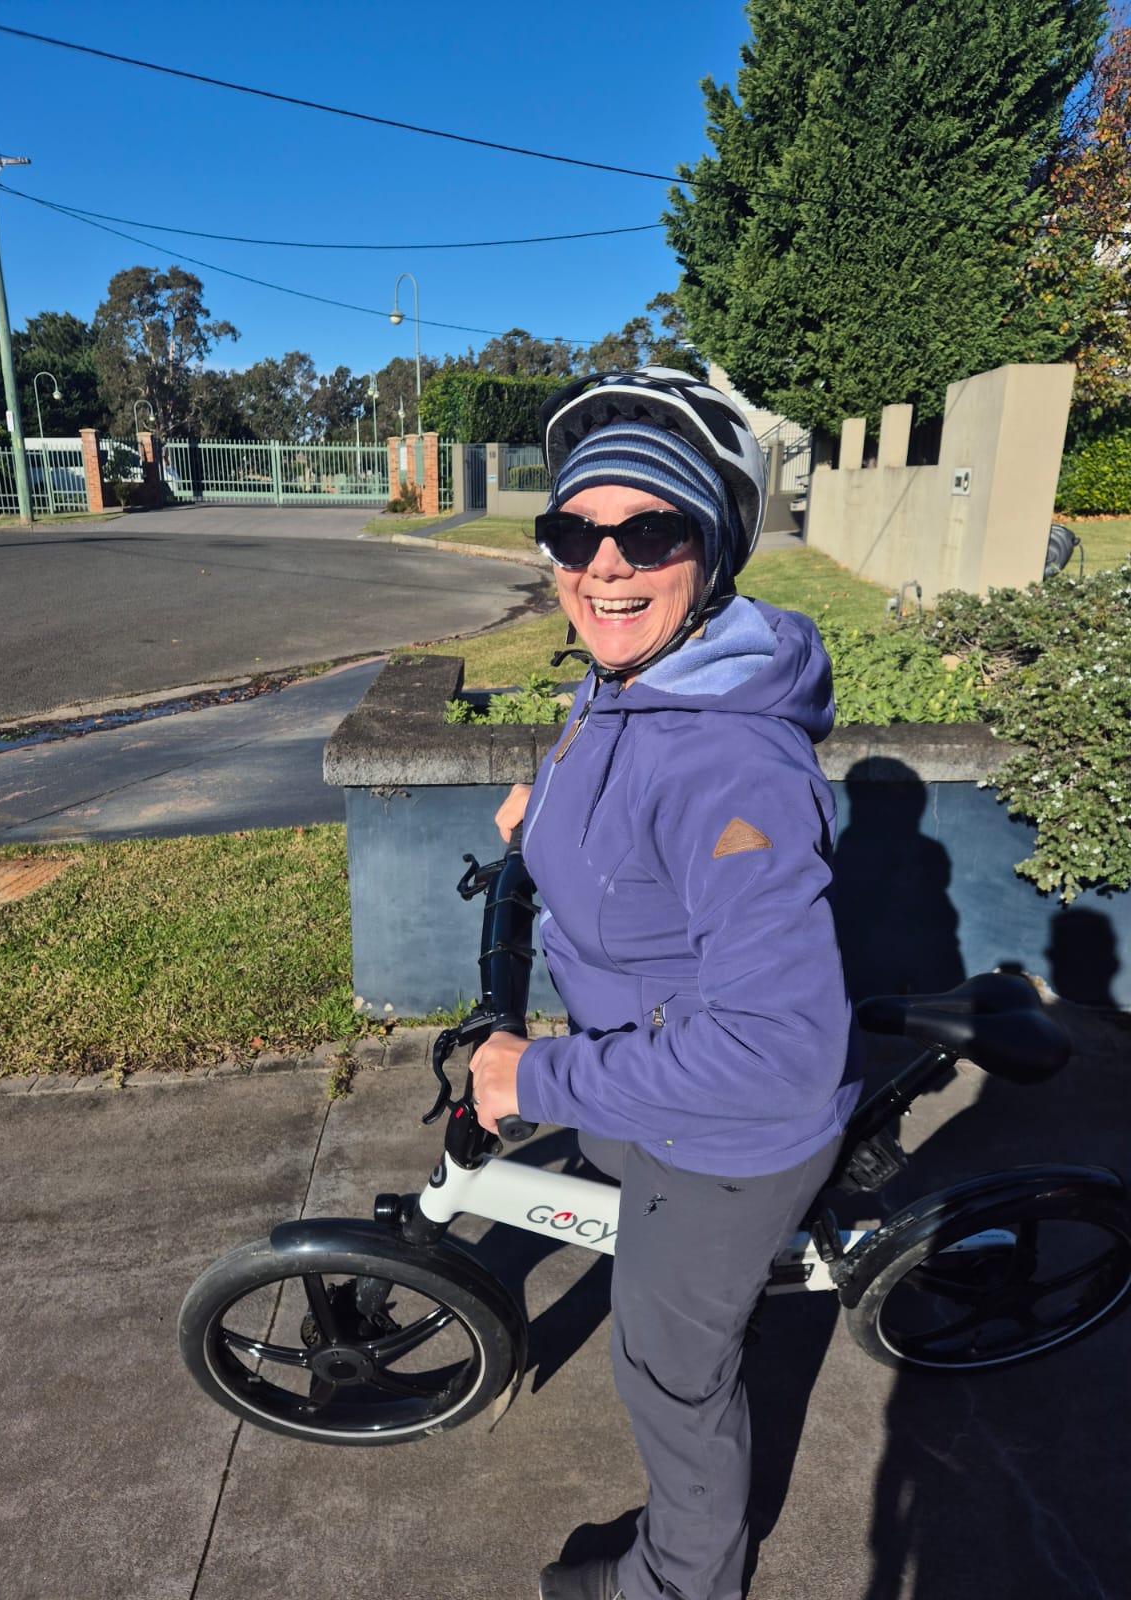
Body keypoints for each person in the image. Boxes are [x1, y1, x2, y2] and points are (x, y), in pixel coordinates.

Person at [470, 368, 863, 1600]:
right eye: (574, 532)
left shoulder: (732, 760)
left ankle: (681, 1584)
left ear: (711, 549)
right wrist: (545, 819)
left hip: (729, 1129)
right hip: (648, 1073)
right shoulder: (632, 679)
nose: (605, 564)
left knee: (666, 1367)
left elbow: (777, 1046)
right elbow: (625, 798)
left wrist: (533, 1068)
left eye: (651, 531)